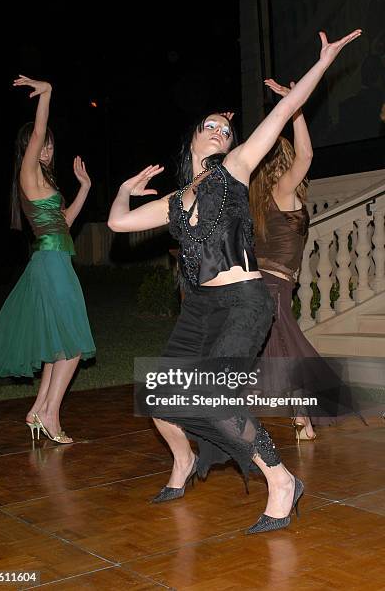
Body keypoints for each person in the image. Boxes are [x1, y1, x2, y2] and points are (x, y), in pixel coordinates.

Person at [108, 30, 361, 534]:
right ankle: (182, 462)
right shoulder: (175, 201)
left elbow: (286, 108)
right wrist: (122, 190)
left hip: (246, 302)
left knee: (217, 401)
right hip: (201, 309)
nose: (222, 131)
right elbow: (117, 224)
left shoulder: (237, 172)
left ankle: (282, 481)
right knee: (160, 396)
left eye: (228, 128)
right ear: (193, 140)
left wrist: (322, 62)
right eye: (213, 126)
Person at [0, 76, 96, 444]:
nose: (46, 150)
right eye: (41, 145)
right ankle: (51, 415)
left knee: (57, 343)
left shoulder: (45, 182)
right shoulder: (27, 172)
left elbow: (67, 222)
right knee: (74, 345)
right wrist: (46, 94)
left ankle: (38, 409)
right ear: (29, 147)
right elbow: (39, 127)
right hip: (50, 263)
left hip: (56, 261)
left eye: (49, 146)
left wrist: (86, 188)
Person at [249, 78, 317, 442]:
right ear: (285, 162)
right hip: (273, 284)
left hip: (268, 282)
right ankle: (304, 416)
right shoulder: (282, 189)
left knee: (277, 347)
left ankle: (298, 414)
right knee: (288, 347)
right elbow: (307, 156)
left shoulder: (260, 201)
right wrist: (296, 107)